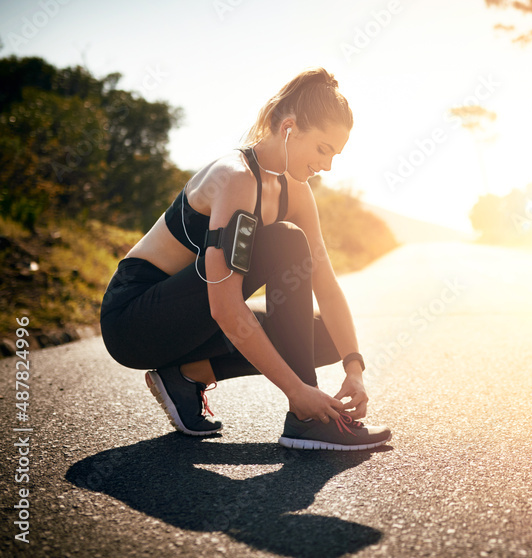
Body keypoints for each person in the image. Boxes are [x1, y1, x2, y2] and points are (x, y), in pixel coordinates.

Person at [99, 68, 391, 451]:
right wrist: (299, 392)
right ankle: (305, 419)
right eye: (323, 149)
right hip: (135, 320)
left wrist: (354, 369)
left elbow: (327, 286)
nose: (328, 166)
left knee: (327, 337)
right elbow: (225, 306)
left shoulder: (295, 192)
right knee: (284, 241)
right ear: (288, 128)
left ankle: (187, 375)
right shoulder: (236, 179)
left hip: (191, 322)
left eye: (335, 154)